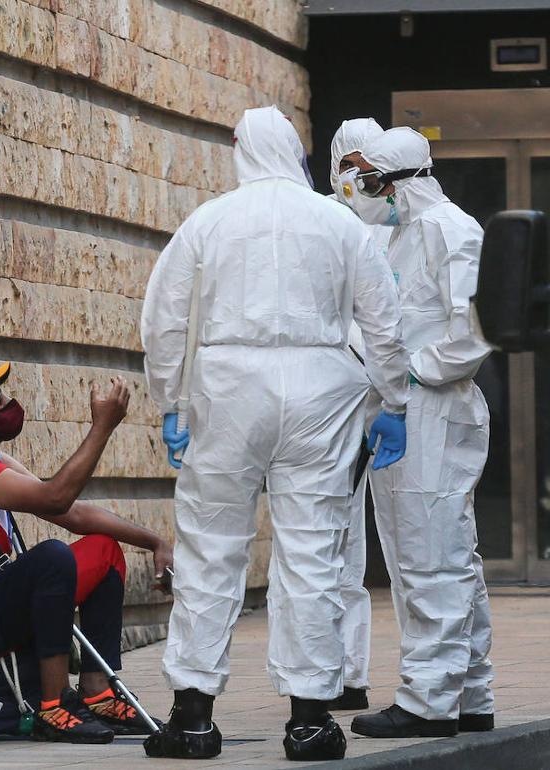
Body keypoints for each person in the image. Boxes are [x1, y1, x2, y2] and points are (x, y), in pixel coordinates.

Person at [141, 106, 410, 762]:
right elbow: (382, 319)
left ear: (239, 149)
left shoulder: (208, 220)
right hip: (321, 386)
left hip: (229, 386)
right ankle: (312, 719)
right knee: (313, 551)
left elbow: (165, 318)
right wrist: (393, 401)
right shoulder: (338, 221)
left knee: (210, 548)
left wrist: (169, 401)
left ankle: (193, 716)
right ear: (295, 150)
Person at [0, 362, 173, 744]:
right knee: (51, 559)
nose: (8, 402)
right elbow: (57, 496)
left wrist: (155, 542)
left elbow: (72, 514)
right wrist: (102, 427)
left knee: (103, 550)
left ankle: (98, 693)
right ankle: (54, 705)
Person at [348, 127, 497, 739]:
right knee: (444, 556)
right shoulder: (407, 234)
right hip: (411, 410)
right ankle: (469, 693)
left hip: (433, 409)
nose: (357, 189)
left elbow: (473, 330)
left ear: (394, 180)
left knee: (430, 558)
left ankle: (429, 701)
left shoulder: (448, 231)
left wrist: (410, 371)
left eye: (363, 177)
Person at [325, 117, 394, 713]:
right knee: (327, 539)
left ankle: (350, 672)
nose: (356, 179)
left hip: (385, 403)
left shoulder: (400, 228)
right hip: (327, 406)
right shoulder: (319, 221)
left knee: (370, 545)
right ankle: (331, 673)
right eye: (347, 165)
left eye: (367, 168)